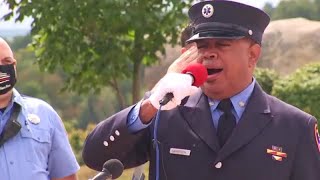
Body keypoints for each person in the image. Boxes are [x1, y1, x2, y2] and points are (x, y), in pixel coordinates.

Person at [82, 1, 320, 180]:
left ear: (252, 55)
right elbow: (96, 157)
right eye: (202, 46)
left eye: (222, 45)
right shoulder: (164, 112)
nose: (209, 53)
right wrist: (150, 104)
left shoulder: (295, 127)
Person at [0, 37, 80, 179]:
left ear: (15, 65)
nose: (2, 69)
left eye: (7, 62)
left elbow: (66, 177)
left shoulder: (44, 114)